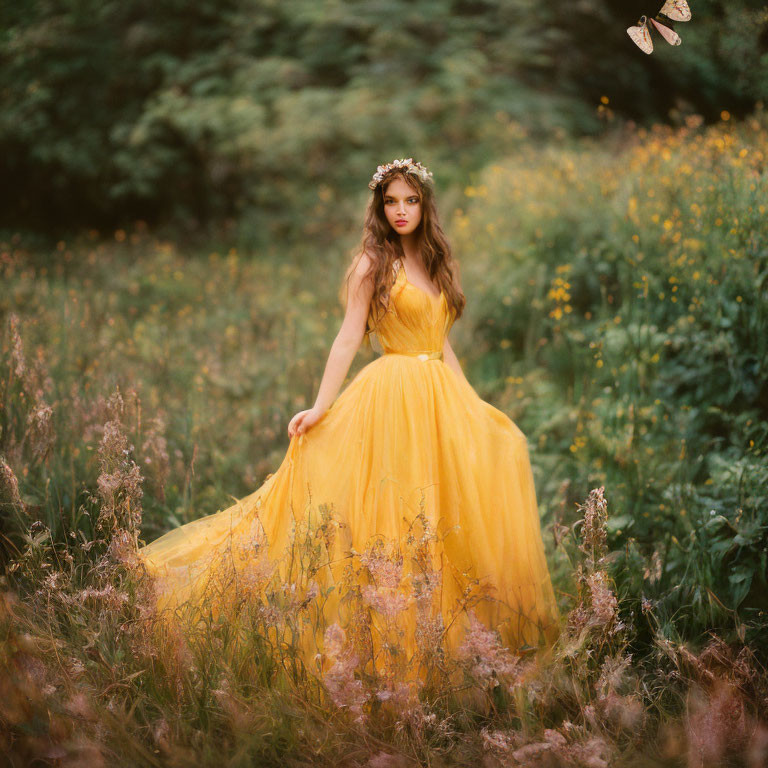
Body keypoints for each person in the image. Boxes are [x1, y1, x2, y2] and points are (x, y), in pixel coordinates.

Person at [138, 158, 560, 679]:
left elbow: (442, 342)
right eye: (390, 201)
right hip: (393, 397)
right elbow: (347, 337)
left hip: (438, 398)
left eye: (410, 200)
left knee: (450, 505)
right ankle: (380, 646)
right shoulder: (372, 263)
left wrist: (470, 406)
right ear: (379, 207)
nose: (401, 210)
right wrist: (320, 406)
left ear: (425, 204)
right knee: (394, 509)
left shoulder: (435, 261)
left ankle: (453, 646)